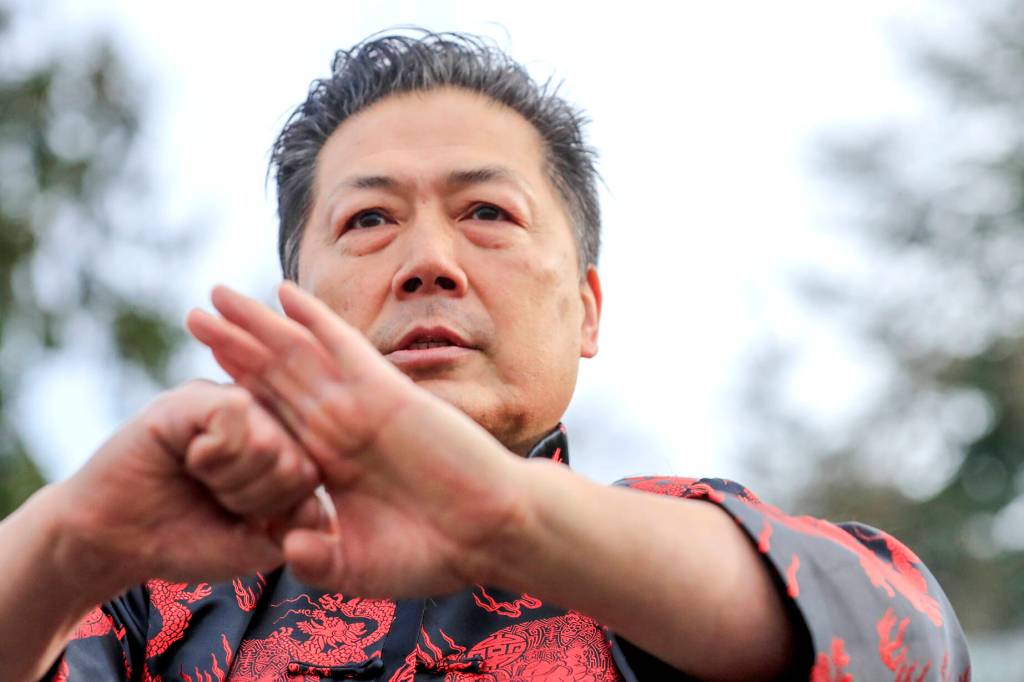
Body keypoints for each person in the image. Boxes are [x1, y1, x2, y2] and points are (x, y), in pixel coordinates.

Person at [0, 32, 969, 681]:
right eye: (369, 219)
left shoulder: (681, 556)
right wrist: (65, 540)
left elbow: (909, 640)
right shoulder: (141, 599)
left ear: (584, 309)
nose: (429, 262)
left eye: (487, 214)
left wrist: (505, 514)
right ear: (294, 309)